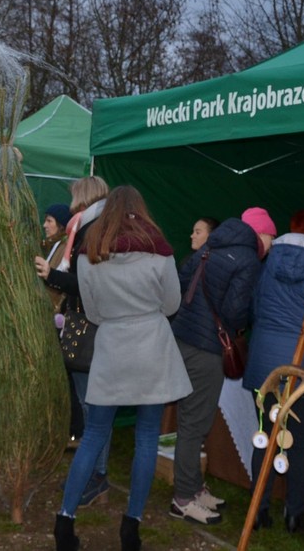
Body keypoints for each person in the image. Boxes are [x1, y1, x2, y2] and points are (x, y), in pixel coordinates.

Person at [53, 185, 192, 551]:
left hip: (112, 347)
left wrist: (119, 318)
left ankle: (65, 521)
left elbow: (94, 312)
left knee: (94, 434)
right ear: (141, 212)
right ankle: (132, 526)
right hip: (151, 349)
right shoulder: (159, 253)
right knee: (146, 438)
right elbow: (172, 303)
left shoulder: (89, 257)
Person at [168, 208, 269, 525]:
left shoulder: (210, 248)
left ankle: (194, 489)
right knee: (193, 424)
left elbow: (181, 282)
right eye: (270, 236)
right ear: (260, 235)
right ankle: (183, 498)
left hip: (183, 338)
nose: (271, 243)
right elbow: (235, 311)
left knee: (191, 419)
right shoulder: (248, 260)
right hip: (207, 347)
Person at [242, 208, 304, 534]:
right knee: (302, 443)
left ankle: (259, 510)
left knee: (265, 436)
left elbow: (253, 310)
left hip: (267, 365)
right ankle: (294, 516)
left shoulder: (266, 265)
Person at [35, 176, 112, 506]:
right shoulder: (91, 228)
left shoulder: (90, 231)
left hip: (92, 331)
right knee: (90, 407)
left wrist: (51, 276)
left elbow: (88, 284)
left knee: (95, 409)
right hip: (90, 327)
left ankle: (97, 476)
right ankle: (92, 473)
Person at [40, 202, 83, 447]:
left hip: (62, 321)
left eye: (49, 220)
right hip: (53, 319)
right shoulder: (55, 245)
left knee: (68, 379)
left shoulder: (65, 247)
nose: (45, 225)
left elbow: (61, 283)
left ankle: (75, 431)